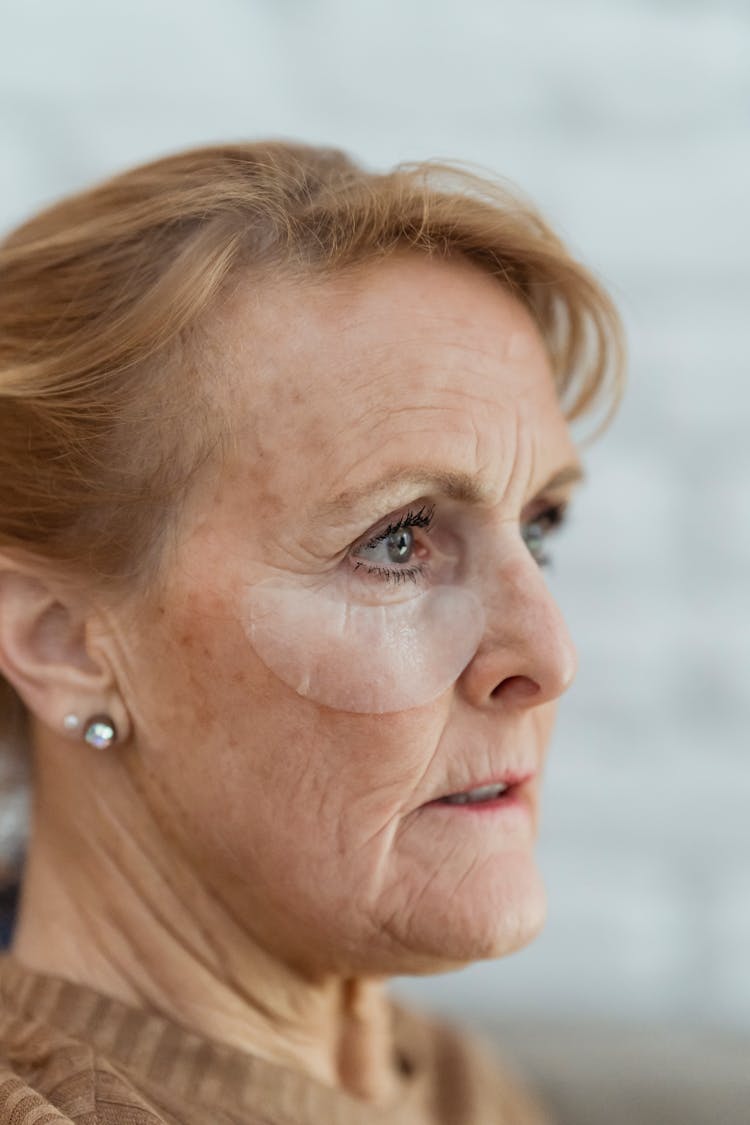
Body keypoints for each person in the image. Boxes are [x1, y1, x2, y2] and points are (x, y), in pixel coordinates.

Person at [0, 141, 624, 1124]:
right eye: (398, 542)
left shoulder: (454, 1087)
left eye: (538, 528)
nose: (550, 659)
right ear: (62, 643)